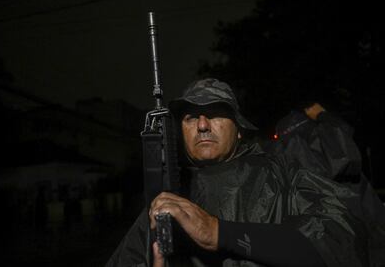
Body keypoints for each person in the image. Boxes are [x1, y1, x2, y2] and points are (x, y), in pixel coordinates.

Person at [106, 78, 369, 267]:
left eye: (216, 113)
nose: (202, 124)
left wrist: (219, 232)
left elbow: (337, 244)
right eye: (190, 117)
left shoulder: (282, 172)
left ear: (240, 130)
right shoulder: (167, 200)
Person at [266, 102, 385, 266]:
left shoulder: (284, 166)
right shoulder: (333, 144)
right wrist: (323, 115)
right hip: (371, 239)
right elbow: (344, 144)